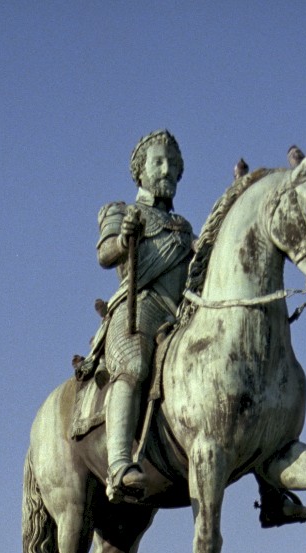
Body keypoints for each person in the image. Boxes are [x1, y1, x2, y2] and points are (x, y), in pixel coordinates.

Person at [93, 130, 193, 500]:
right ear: (141, 171)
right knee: (133, 364)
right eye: (159, 162)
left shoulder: (184, 227)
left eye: (173, 165)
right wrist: (122, 240)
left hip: (179, 316)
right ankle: (119, 465)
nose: (167, 170)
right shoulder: (121, 210)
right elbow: (105, 255)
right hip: (138, 307)